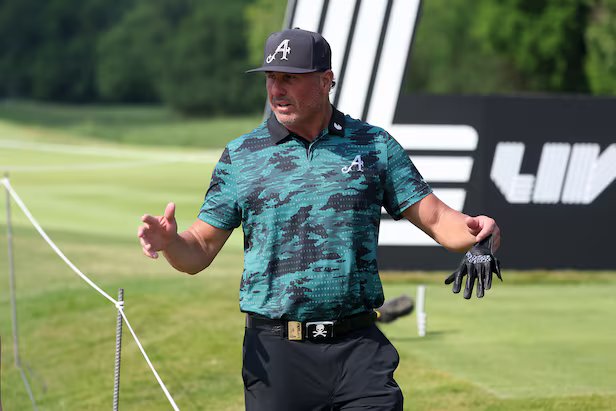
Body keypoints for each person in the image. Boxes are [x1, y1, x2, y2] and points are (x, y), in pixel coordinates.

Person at [138, 28, 501, 411]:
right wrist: (171, 243)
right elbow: (199, 248)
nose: (276, 89)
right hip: (278, 355)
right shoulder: (242, 155)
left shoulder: (373, 145)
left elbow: (439, 219)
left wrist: (481, 233)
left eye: (289, 78)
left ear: (326, 81)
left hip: (359, 350)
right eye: (271, 77)